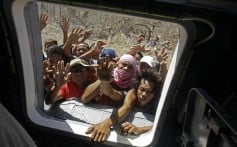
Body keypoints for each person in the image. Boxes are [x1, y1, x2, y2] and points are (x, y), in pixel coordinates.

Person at [85, 70, 162, 142]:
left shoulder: (159, 105)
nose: (144, 94)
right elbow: (121, 103)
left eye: (150, 91)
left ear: (154, 94)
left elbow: (162, 125)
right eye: (142, 89)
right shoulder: (130, 94)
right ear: (137, 88)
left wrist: (140, 129)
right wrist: (104, 81)